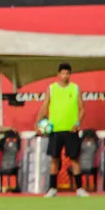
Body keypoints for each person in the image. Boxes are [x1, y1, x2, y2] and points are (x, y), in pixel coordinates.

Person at [35, 62, 88, 197]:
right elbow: (44, 106)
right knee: (54, 159)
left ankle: (79, 189)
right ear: (58, 74)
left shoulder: (75, 88)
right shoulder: (52, 88)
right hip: (55, 129)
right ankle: (52, 188)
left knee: (74, 159)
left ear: (70, 74)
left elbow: (82, 109)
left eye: (67, 73)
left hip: (71, 130)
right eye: (63, 73)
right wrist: (37, 124)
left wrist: (77, 123)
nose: (65, 76)